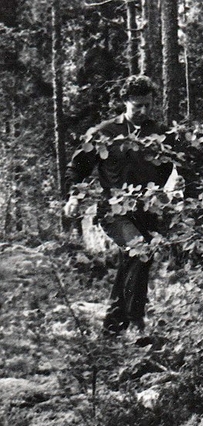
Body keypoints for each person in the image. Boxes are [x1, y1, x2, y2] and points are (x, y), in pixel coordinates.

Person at [66, 75, 177, 336]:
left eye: (148, 105)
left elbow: (185, 164)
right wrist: (73, 197)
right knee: (140, 250)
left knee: (132, 262)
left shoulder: (160, 134)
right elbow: (77, 168)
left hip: (148, 214)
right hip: (114, 211)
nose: (143, 111)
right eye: (137, 105)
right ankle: (136, 323)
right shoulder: (105, 132)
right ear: (125, 101)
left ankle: (111, 329)